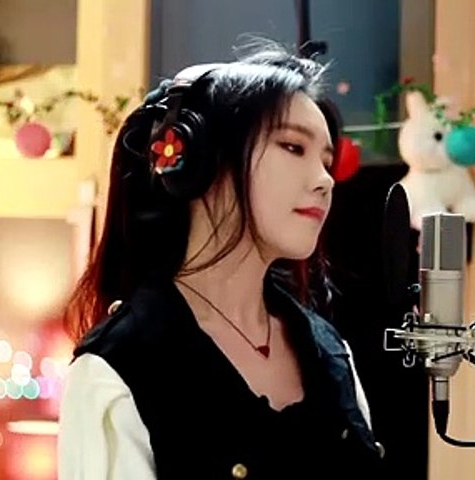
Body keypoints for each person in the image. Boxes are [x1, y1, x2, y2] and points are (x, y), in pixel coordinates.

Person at [57, 41, 384, 480]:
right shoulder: (119, 370)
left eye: (327, 162)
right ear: (200, 161)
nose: (324, 180)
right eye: (293, 147)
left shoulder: (331, 353)